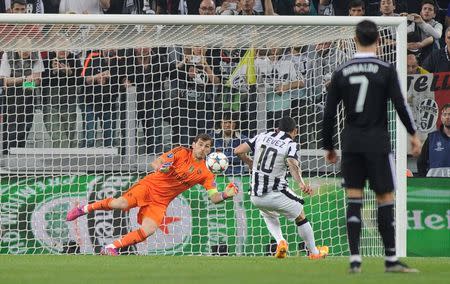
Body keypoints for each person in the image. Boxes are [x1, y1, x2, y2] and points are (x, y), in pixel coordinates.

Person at [321, 20, 422, 273]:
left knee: (354, 198)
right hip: (378, 143)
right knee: (385, 198)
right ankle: (390, 260)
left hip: (352, 143)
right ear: (378, 39)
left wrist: (328, 146)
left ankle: (355, 259)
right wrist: (413, 134)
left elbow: (329, 114)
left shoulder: (341, 71)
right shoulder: (385, 69)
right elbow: (400, 105)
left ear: (355, 38)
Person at [66, 133, 239, 255]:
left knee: (148, 230)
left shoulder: (208, 172)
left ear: (210, 151)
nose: (203, 148)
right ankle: (85, 208)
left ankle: (110, 247)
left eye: (207, 146)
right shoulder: (180, 152)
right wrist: (160, 167)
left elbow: (213, 197)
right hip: (149, 186)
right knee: (121, 204)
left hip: (161, 201)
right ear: (193, 145)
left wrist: (225, 194)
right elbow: (156, 162)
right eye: (200, 144)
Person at [234, 116, 329, 259]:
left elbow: (238, 150)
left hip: (255, 196)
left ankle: (280, 242)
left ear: (277, 129)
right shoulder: (290, 144)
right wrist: (301, 184)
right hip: (275, 193)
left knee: (267, 213)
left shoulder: (262, 136)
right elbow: (292, 163)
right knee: (300, 215)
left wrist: (249, 163)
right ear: (295, 131)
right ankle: (314, 253)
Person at [417, 103, 450, 177]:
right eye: (444, 114)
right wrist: (424, 182)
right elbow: (421, 162)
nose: (447, 117)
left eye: (449, 114)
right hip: (434, 186)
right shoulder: (432, 138)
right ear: (441, 118)